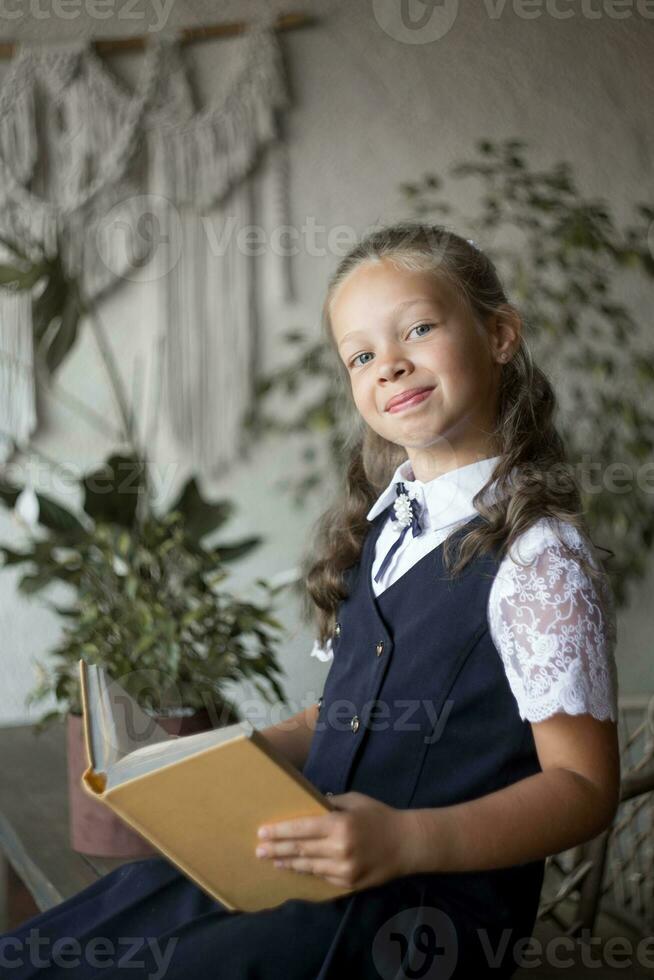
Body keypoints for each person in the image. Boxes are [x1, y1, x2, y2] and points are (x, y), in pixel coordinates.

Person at [0, 222, 620, 979]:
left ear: (499, 335)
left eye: (419, 328)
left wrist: (406, 840)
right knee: (72, 937)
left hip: (415, 921)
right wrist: (208, 767)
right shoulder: (383, 529)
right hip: (302, 868)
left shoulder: (537, 558)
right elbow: (343, 714)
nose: (390, 365)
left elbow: (584, 789)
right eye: (361, 356)